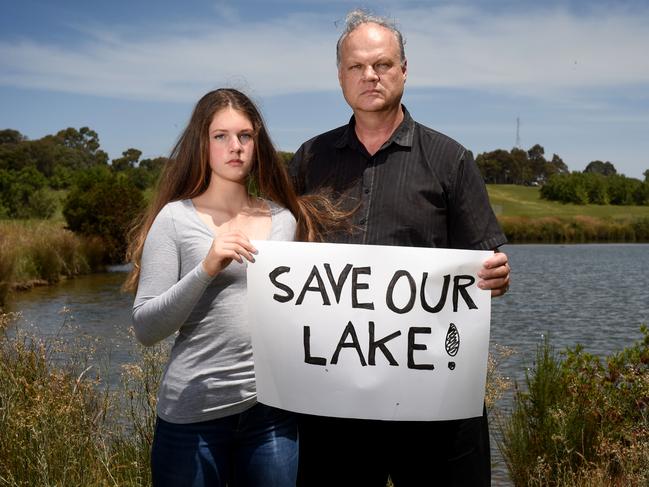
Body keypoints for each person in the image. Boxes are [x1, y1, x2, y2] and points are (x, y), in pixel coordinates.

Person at [290, 9, 511, 487]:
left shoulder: (450, 159)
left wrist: (496, 277)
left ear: (404, 71)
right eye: (356, 67)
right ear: (340, 77)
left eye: (383, 64)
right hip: (333, 402)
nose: (370, 75)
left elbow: (486, 267)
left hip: (433, 403)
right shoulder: (309, 159)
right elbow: (284, 263)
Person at [123, 88, 346, 487]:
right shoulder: (175, 220)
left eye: (245, 136)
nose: (235, 147)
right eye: (221, 136)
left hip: (271, 415)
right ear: (201, 144)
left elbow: (304, 310)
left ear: (257, 143)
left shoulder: (283, 222)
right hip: (192, 419)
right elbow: (145, 328)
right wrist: (207, 266)